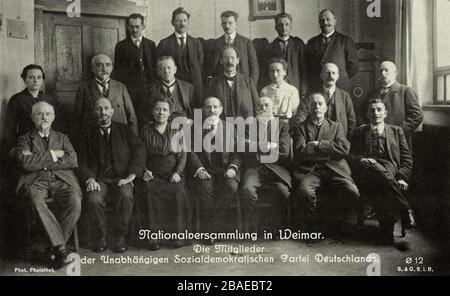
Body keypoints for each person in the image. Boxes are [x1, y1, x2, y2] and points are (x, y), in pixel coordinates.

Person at [15, 101, 81, 268]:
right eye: (40, 114)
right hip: (36, 181)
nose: (44, 117)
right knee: (36, 200)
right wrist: (54, 154)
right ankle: (60, 248)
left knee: (74, 200)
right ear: (33, 117)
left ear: (53, 117)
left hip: (61, 179)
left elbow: (72, 160)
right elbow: (26, 164)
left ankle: (54, 248)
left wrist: (41, 161)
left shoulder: (62, 137)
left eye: (47, 114)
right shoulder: (24, 139)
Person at [78, 98, 146, 253]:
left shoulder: (124, 129)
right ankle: (100, 237)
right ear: (94, 112)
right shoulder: (86, 132)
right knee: (93, 198)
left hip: (121, 177)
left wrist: (132, 175)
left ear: (112, 111)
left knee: (126, 195)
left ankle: (119, 236)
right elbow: (80, 160)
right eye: (99, 109)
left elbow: (140, 151)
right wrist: (89, 178)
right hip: (98, 179)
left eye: (106, 108)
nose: (103, 112)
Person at [290, 93, 360, 235]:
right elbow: (301, 150)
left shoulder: (336, 126)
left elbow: (343, 149)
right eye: (313, 104)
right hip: (310, 169)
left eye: (320, 104)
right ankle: (314, 226)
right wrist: (330, 150)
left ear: (326, 108)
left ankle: (337, 223)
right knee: (305, 192)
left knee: (352, 192)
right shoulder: (300, 128)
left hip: (335, 169)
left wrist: (318, 144)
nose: (317, 107)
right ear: (309, 108)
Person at [351, 99, 416, 245]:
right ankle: (405, 209)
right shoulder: (359, 131)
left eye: (379, 110)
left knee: (382, 184)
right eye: (372, 110)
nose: (376, 113)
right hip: (367, 170)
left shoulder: (396, 131)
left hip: (390, 169)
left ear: (385, 113)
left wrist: (401, 178)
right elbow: (351, 156)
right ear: (367, 114)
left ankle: (386, 231)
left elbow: (406, 158)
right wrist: (361, 160)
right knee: (377, 172)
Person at [139, 96, 188, 250]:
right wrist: (144, 170)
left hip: (172, 173)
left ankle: (177, 236)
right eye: (157, 109)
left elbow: (183, 154)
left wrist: (178, 172)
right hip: (152, 173)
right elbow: (139, 155)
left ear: (170, 113)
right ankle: (154, 238)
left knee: (177, 191)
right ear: (152, 112)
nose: (161, 113)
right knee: (149, 191)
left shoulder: (177, 129)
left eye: (165, 110)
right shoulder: (145, 130)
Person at [189, 97, 240, 244]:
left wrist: (232, 167)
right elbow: (190, 151)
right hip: (206, 170)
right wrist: (198, 168)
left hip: (225, 170)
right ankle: (213, 230)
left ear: (221, 110)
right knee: (204, 190)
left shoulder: (230, 128)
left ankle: (211, 228)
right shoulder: (195, 128)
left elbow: (237, 153)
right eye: (208, 107)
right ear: (203, 110)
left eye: (215, 107)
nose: (212, 110)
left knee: (231, 186)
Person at [240, 97, 291, 236]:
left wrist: (255, 145)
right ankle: (255, 224)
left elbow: (284, 151)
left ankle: (277, 227)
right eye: (260, 106)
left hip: (276, 169)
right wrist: (269, 145)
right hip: (254, 169)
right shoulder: (247, 126)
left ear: (273, 107)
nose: (263, 108)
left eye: (266, 105)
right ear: (255, 109)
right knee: (247, 189)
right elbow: (243, 148)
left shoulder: (282, 126)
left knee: (282, 191)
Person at [72, 54, 138, 145]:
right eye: (99, 65)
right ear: (92, 68)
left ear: (112, 68)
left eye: (108, 65)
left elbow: (131, 116)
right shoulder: (84, 88)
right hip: (93, 139)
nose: (104, 68)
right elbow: (77, 118)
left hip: (119, 138)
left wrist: (134, 140)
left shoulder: (121, 87)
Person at [360, 61, 424, 150]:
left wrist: (398, 131)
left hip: (398, 141)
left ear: (395, 73)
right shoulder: (373, 92)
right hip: (374, 141)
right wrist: (366, 127)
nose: (383, 73)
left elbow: (417, 116)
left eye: (386, 70)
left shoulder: (405, 91)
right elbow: (361, 112)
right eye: (381, 71)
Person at [112, 13, 157, 122]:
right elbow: (118, 72)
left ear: (143, 26)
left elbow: (155, 68)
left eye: (137, 26)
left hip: (150, 91)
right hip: (130, 92)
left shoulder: (151, 45)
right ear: (127, 27)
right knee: (133, 119)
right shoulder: (121, 46)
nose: (135, 30)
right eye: (131, 26)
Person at [292, 63, 356, 139]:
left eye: (333, 73)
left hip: (338, 139)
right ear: (321, 75)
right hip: (316, 137)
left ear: (338, 76)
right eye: (327, 73)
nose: (331, 76)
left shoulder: (345, 96)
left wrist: (347, 141)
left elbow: (351, 121)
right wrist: (299, 132)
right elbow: (302, 113)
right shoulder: (311, 94)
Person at [5, 64, 55, 156]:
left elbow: (55, 122)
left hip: (47, 143)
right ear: (24, 80)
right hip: (26, 143)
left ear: (42, 80)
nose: (36, 81)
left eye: (39, 77)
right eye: (31, 77)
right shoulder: (17, 99)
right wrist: (12, 147)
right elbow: (10, 127)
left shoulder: (49, 99)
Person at [156, 7, 204, 101]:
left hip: (195, 87)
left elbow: (200, 66)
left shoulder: (196, 43)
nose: (182, 24)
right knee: (177, 111)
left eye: (184, 20)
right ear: (172, 22)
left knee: (197, 112)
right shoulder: (164, 43)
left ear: (188, 22)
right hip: (175, 88)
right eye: (178, 20)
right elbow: (159, 67)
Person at [306, 9, 359, 93]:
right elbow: (308, 67)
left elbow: (354, 67)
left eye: (328, 19)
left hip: (340, 87)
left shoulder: (345, 41)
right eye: (322, 20)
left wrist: (341, 78)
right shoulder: (312, 43)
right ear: (319, 23)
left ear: (335, 21)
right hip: (317, 87)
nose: (325, 23)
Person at [207, 46, 258, 119]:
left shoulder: (248, 81)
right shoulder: (213, 83)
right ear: (221, 61)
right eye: (226, 58)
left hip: (245, 126)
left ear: (237, 60)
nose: (229, 61)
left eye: (232, 58)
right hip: (222, 126)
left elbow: (257, 106)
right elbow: (207, 108)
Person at [209, 11, 259, 85]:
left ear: (236, 24)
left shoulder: (246, 43)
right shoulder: (216, 43)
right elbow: (213, 67)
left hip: (243, 84)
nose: (227, 26)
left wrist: (251, 86)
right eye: (224, 23)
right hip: (222, 84)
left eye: (230, 23)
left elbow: (254, 68)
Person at [263, 12, 307, 96]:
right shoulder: (270, 47)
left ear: (291, 26)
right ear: (276, 27)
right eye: (280, 25)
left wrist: (304, 91)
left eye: (287, 24)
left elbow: (304, 69)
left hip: (295, 86)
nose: (284, 27)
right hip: (278, 88)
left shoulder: (298, 44)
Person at [146, 55, 196, 124]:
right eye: (162, 68)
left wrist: (191, 122)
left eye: (169, 68)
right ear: (158, 71)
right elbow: (148, 113)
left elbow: (195, 110)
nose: (166, 71)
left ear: (175, 69)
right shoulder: (151, 89)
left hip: (183, 127)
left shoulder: (188, 88)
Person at [260, 58, 302, 123]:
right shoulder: (264, 91)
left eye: (278, 71)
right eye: (272, 71)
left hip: (288, 124)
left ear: (284, 72)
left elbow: (295, 112)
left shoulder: (292, 91)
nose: (275, 74)